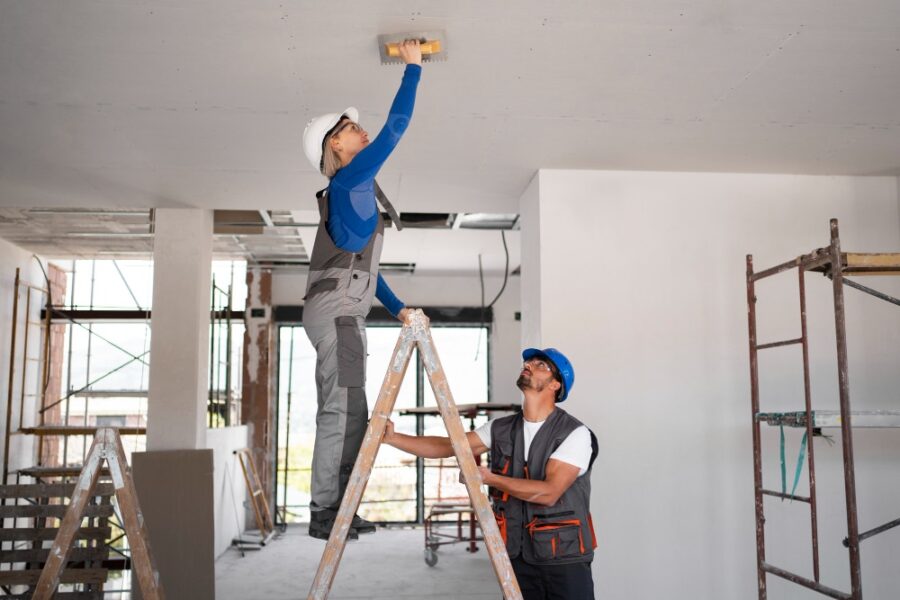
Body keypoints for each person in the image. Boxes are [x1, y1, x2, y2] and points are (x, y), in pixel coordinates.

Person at [300, 39, 423, 541]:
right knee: (343, 410)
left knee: (350, 410)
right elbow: (395, 130)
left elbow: (365, 273)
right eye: (352, 129)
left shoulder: (351, 190)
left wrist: (395, 307)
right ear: (336, 146)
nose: (362, 131)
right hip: (338, 314)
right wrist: (413, 69)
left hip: (337, 309)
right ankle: (326, 511)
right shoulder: (350, 181)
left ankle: (338, 506)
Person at [384, 347, 598, 599]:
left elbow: (549, 493)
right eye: (528, 361)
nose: (528, 364)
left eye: (541, 364)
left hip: (564, 558)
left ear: (556, 385)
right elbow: (447, 446)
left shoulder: (574, 433)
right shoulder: (500, 429)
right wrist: (392, 438)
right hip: (516, 555)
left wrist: (489, 478)